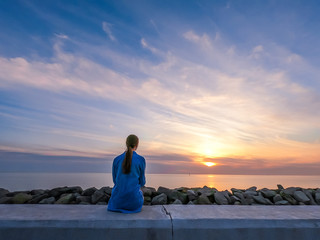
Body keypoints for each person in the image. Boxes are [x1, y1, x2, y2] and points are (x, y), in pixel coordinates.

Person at [107, 134, 146, 213]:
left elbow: (115, 181)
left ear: (126, 143)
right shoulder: (141, 160)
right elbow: (142, 182)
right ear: (137, 145)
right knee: (140, 193)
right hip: (134, 204)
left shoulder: (116, 160)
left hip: (117, 203)